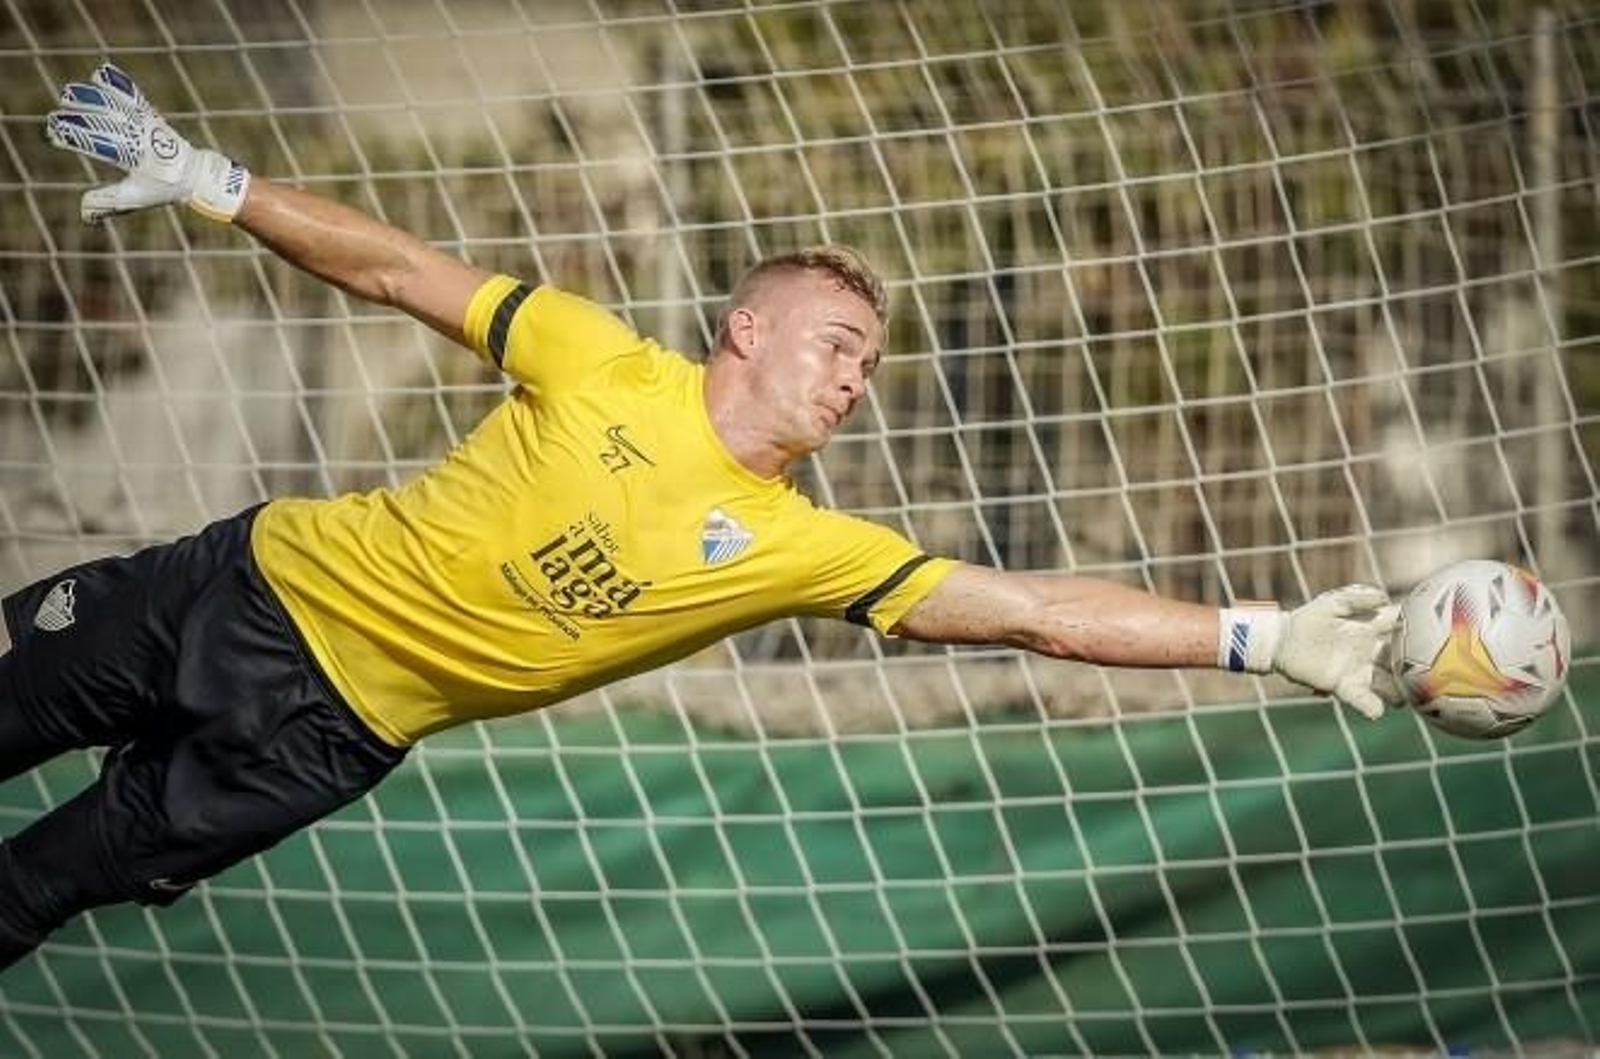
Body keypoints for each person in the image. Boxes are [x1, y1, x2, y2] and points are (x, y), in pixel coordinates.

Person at [0, 64, 1399, 971]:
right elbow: (400, 273)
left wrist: (1263, 639)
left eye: (869, 366)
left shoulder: (807, 546)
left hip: (329, 741)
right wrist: (217, 184)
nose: (854, 379)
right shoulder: (602, 359)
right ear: (747, 327)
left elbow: (1037, 612)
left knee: (32, 893)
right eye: (838, 344)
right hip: (239, 594)